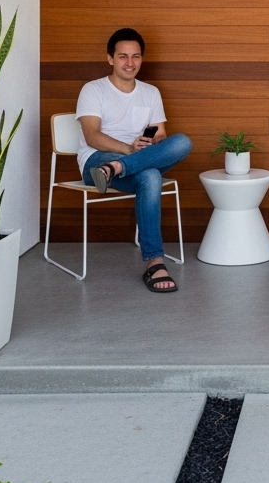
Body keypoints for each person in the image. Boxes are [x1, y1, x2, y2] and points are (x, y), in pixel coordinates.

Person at [76, 28, 192, 292]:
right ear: (110, 59)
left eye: (136, 57)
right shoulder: (93, 90)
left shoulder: (150, 92)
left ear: (142, 59)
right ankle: (155, 262)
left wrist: (150, 143)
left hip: (124, 164)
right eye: (123, 57)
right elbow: (92, 136)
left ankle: (116, 169)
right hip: (97, 162)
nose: (130, 63)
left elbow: (161, 133)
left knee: (182, 142)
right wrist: (128, 150)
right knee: (151, 174)